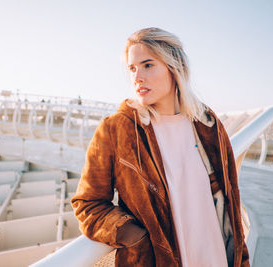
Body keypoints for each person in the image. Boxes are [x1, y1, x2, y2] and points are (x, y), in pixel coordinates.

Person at [71, 27, 249, 267]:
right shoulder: (117, 129)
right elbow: (87, 204)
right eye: (132, 68)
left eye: (147, 65)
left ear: (174, 68)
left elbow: (230, 205)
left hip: (216, 257)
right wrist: (136, 238)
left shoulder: (208, 124)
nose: (137, 77)